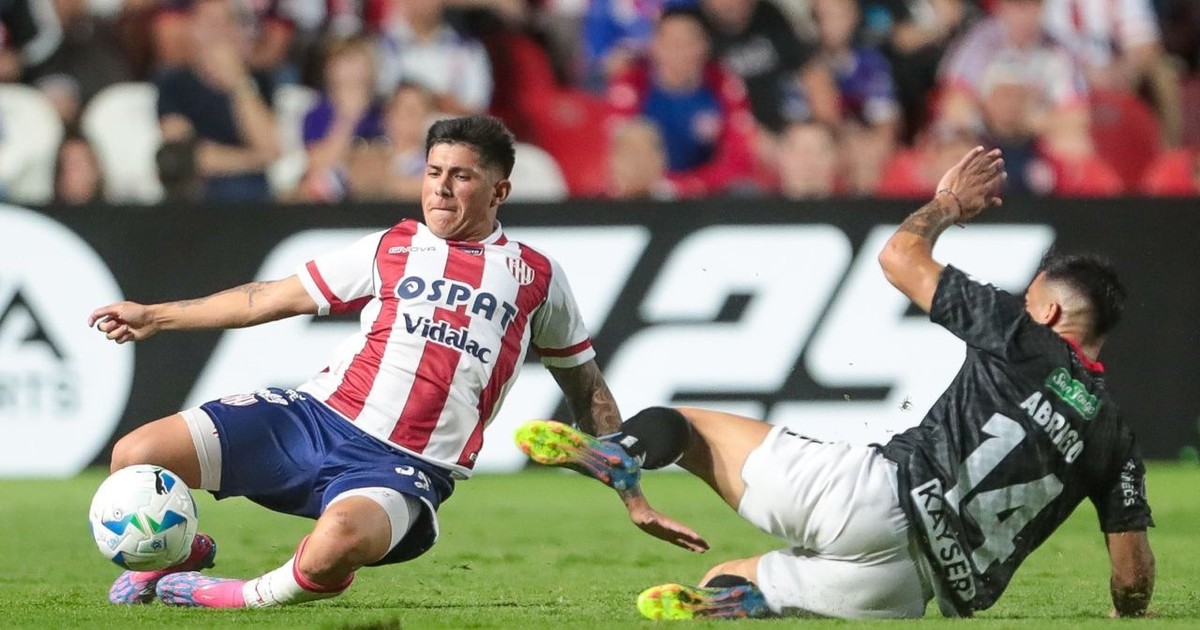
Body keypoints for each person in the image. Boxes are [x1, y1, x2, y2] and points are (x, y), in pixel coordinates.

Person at [88, 115, 702, 609]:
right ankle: (184, 552)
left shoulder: (535, 276)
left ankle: (220, 595)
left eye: (461, 176)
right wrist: (156, 316)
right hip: (312, 418)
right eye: (433, 172)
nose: (441, 187)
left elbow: (587, 389)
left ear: (499, 191)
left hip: (402, 467)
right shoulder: (392, 245)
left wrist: (633, 495)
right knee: (135, 456)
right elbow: (267, 298)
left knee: (334, 545)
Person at [517, 146, 1156, 619]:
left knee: (686, 426)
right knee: (728, 580)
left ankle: (620, 451)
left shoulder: (1022, 336)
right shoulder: (1114, 437)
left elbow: (899, 258)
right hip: (909, 588)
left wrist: (948, 206)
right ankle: (747, 602)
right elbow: (1132, 574)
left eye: (1029, 298)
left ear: (1050, 312)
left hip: (875, 497)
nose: (1020, 304)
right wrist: (1126, 612)